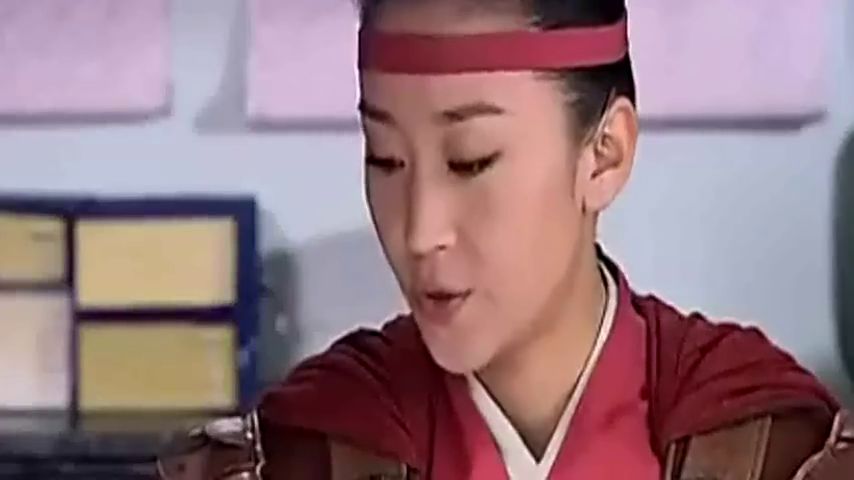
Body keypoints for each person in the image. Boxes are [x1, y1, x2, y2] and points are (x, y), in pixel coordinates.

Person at [158, 0, 853, 478]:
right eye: (385, 159)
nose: (419, 231)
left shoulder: (767, 447)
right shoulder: (305, 451)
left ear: (604, 155)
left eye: (471, 161)